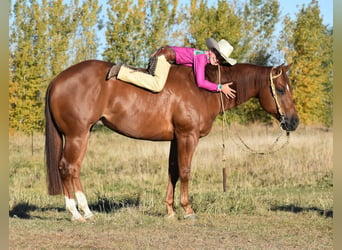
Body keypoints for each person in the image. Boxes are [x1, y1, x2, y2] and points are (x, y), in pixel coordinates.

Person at [106, 38, 237, 98]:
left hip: (166, 56)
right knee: (157, 85)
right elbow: (201, 82)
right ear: (213, 50)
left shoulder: (201, 57)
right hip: (164, 56)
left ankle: (128, 69)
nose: (218, 60)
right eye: (218, 55)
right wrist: (220, 87)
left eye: (221, 59)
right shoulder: (201, 57)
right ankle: (121, 71)